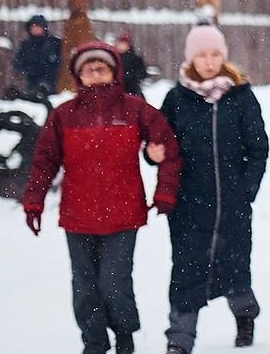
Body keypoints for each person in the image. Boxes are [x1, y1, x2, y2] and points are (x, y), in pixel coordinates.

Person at [21, 42, 181, 354]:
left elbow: (168, 148)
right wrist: (33, 201)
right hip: (78, 217)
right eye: (88, 69)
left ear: (114, 71)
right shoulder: (64, 115)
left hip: (124, 214)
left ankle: (124, 334)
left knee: (114, 283)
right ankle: (93, 341)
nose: (96, 74)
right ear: (78, 76)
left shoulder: (134, 109)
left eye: (102, 67)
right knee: (84, 288)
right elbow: (44, 161)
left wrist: (165, 191)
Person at [159, 25, 270, 354]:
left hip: (232, 206)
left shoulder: (240, 96)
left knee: (235, 269)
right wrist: (154, 157)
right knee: (186, 272)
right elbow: (161, 150)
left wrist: (246, 189)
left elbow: (258, 148)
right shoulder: (177, 99)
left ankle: (245, 316)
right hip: (188, 207)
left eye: (215, 54)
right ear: (191, 58)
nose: (209, 61)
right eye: (202, 55)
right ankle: (179, 340)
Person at [14, 15, 63, 96]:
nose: (35, 28)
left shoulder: (54, 43)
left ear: (44, 28)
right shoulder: (25, 45)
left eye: (38, 26)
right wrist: (30, 69)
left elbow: (62, 60)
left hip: (52, 83)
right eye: (33, 26)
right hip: (32, 82)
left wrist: (52, 64)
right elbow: (17, 63)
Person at [114, 33, 148, 97]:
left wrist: (130, 77)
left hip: (132, 90)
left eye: (124, 44)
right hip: (116, 91)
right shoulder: (113, 58)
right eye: (120, 43)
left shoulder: (135, 59)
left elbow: (142, 74)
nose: (122, 46)